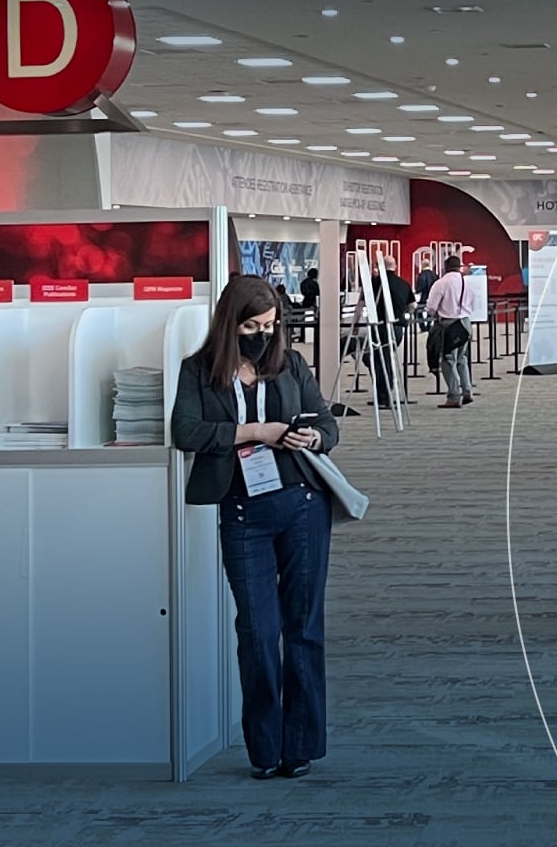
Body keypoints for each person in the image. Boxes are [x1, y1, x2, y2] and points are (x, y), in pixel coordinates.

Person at [172, 275, 340, 781]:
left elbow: (330, 426)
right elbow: (186, 431)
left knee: (303, 628)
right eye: (251, 326)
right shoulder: (199, 371)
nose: (262, 335)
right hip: (243, 512)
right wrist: (254, 433)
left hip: (302, 505)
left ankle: (301, 746)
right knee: (258, 631)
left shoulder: (291, 365)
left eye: (269, 326)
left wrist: (312, 437)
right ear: (231, 324)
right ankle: (264, 748)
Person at [427, 256, 477, 408]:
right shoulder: (466, 283)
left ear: (445, 267)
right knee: (462, 358)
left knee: (448, 360)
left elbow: (431, 307)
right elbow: (473, 302)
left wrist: (434, 314)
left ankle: (454, 396)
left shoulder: (441, 283)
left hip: (449, 324)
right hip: (466, 323)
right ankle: (467, 390)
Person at [369, 265, 414, 408]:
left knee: (380, 361)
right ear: (394, 267)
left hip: (380, 327)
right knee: (388, 358)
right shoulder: (403, 283)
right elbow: (412, 305)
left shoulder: (375, 283)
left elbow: (364, 303)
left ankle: (384, 394)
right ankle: (385, 393)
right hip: (398, 327)